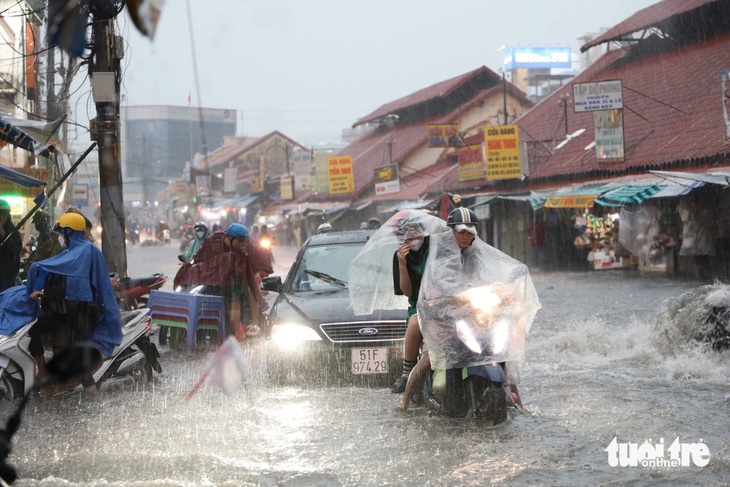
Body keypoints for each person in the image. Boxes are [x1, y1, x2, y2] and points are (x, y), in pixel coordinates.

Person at [398, 206, 530, 410]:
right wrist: (440, 298)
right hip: (444, 316)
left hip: (473, 316)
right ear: (451, 231)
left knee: (501, 351)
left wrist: (505, 293)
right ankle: (404, 402)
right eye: (461, 231)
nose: (466, 237)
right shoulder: (438, 255)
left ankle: (517, 402)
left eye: (470, 232)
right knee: (429, 357)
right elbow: (432, 286)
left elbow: (492, 276)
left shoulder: (478, 255)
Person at [26, 213, 122, 388]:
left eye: (64, 233)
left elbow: (101, 284)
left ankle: (91, 398)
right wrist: (41, 292)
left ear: (71, 232)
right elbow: (56, 279)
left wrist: (110, 310)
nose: (62, 237)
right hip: (64, 309)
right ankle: (43, 370)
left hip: (85, 311)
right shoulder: (66, 253)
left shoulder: (91, 251)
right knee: (33, 329)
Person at [173, 223, 262, 338]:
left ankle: (243, 347)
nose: (241, 245)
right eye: (239, 241)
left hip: (233, 287)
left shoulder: (242, 254)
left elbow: (248, 276)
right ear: (230, 238)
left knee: (234, 319)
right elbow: (200, 259)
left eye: (243, 242)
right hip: (213, 284)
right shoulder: (213, 243)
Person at [391, 211, 430, 393]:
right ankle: (407, 372)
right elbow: (407, 292)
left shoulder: (435, 247)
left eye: (416, 232)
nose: (414, 237)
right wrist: (402, 265)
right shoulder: (399, 257)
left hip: (444, 300)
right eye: (408, 234)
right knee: (415, 321)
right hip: (419, 305)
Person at [0, 199, 22, 292]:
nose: (1, 217)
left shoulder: (13, 232)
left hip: (7, 279)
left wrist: (3, 234)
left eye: (4, 214)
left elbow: (15, 250)